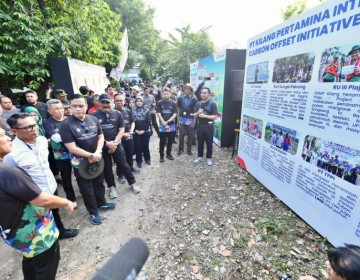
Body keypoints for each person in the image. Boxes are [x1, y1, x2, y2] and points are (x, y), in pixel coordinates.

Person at [0, 127, 75, 280]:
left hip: (12, 231)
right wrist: (66, 202)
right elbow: (42, 199)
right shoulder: (7, 172)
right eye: (2, 135)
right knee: (46, 267)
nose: (8, 138)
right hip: (34, 232)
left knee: (32, 259)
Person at [4, 114, 79, 240]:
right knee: (39, 219)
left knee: (54, 211)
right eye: (28, 127)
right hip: (33, 193)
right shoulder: (11, 154)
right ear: (14, 131)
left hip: (50, 184)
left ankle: (60, 231)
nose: (34, 129)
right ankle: (44, 240)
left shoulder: (42, 140)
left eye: (35, 125)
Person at [59, 94, 115, 225]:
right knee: (87, 189)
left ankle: (101, 203)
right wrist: (90, 156)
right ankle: (93, 212)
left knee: (99, 183)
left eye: (81, 106)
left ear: (86, 106)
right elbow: (71, 147)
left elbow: (101, 137)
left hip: (97, 158)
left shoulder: (93, 119)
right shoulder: (66, 125)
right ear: (70, 108)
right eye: (74, 106)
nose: (78, 109)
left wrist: (97, 152)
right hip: (81, 163)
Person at [92, 94, 140, 196]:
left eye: (107, 102)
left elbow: (121, 129)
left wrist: (115, 143)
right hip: (102, 147)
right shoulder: (94, 116)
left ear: (111, 103)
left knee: (124, 165)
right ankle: (112, 188)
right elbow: (94, 134)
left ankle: (133, 183)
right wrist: (106, 144)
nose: (105, 105)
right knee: (107, 168)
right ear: (99, 103)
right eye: (103, 102)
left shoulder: (117, 114)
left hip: (117, 144)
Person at [43, 99, 77, 207]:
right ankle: (71, 199)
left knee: (80, 174)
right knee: (66, 178)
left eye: (61, 108)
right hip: (61, 156)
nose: (60, 111)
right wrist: (73, 136)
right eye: (56, 109)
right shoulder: (48, 123)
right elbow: (56, 138)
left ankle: (85, 193)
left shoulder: (70, 119)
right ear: (49, 111)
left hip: (75, 152)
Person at [114, 94, 140, 175]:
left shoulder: (128, 111)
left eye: (120, 100)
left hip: (129, 137)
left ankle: (130, 168)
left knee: (130, 154)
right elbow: (112, 129)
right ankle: (120, 174)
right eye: (117, 100)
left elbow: (132, 122)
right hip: (119, 139)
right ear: (114, 101)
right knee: (120, 157)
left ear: (124, 101)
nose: (119, 102)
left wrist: (131, 131)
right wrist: (123, 134)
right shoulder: (112, 113)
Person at [193, 87, 218, 166]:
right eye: (202, 93)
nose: (203, 94)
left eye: (205, 93)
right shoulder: (198, 104)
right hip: (200, 127)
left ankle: (209, 158)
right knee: (200, 143)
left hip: (209, 127)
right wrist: (198, 113)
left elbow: (215, 117)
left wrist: (204, 116)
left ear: (209, 94)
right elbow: (194, 116)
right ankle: (200, 156)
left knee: (209, 143)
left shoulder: (212, 104)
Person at [157, 87, 178, 162]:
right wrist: (164, 123)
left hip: (171, 125)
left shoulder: (174, 103)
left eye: (167, 94)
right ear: (162, 94)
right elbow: (158, 114)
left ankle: (168, 154)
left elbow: (175, 114)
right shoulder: (159, 103)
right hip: (162, 125)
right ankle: (161, 156)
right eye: (164, 94)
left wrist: (168, 122)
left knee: (170, 141)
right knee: (162, 141)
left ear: (170, 94)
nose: (166, 95)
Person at [177, 83, 197, 156]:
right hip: (182, 119)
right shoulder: (180, 98)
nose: (187, 90)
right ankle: (180, 149)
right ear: (183, 90)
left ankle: (189, 150)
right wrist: (178, 120)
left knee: (190, 136)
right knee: (181, 136)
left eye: (189, 89)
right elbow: (178, 109)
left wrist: (194, 121)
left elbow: (195, 110)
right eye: (185, 88)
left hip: (191, 119)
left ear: (191, 90)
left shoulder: (194, 99)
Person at [133, 96, 152, 168]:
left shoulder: (147, 110)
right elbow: (131, 122)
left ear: (142, 102)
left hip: (145, 131)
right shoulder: (133, 110)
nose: (139, 102)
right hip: (136, 132)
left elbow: (149, 121)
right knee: (138, 147)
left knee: (145, 146)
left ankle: (147, 159)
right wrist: (136, 130)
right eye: (137, 101)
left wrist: (143, 130)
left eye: (140, 101)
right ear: (135, 102)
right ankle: (139, 161)